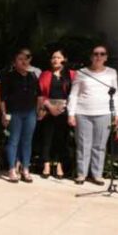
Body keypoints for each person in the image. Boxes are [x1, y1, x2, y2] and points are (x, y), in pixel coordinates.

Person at [68, 45, 118, 185]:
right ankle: (81, 174)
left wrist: (117, 114)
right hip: (83, 113)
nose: (98, 56)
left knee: (99, 146)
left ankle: (97, 175)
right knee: (83, 145)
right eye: (95, 53)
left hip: (104, 113)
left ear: (106, 57)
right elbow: (73, 95)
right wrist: (71, 114)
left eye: (102, 54)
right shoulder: (81, 72)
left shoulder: (112, 72)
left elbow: (115, 94)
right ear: (91, 56)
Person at [1, 49, 42, 183]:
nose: (24, 61)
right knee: (13, 140)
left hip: (30, 112)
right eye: (20, 59)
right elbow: (3, 98)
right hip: (14, 112)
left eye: (26, 59)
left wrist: (39, 110)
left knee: (27, 141)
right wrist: (4, 114)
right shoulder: (9, 76)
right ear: (14, 62)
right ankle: (12, 169)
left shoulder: (33, 76)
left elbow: (39, 95)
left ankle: (25, 169)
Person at [38, 50, 76, 179]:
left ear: (64, 59)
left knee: (62, 139)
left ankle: (59, 165)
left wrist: (66, 107)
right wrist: (50, 107)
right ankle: (46, 164)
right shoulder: (45, 74)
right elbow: (40, 94)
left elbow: (75, 94)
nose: (55, 60)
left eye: (59, 57)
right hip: (48, 110)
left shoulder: (72, 74)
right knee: (47, 139)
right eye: (53, 57)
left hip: (65, 110)